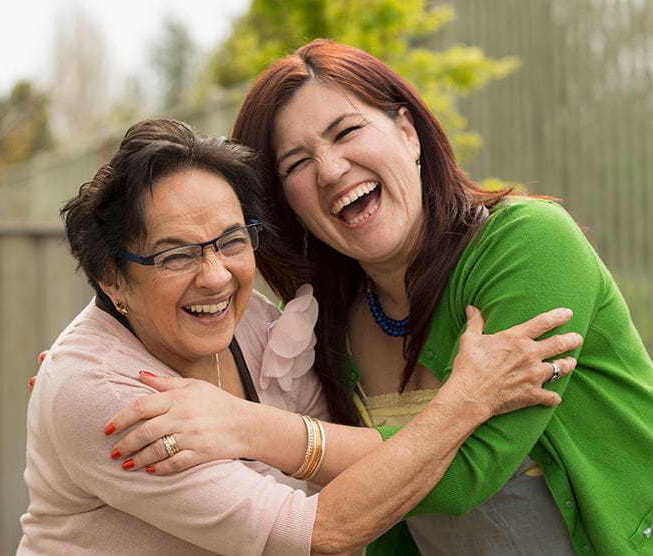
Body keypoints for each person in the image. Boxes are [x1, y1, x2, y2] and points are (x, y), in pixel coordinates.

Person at [109, 41, 653, 555]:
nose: (330, 169)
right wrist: (108, 353)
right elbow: (204, 328)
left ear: (408, 133)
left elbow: (463, 476)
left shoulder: (529, 242)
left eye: (346, 131)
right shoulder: (329, 318)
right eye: (296, 163)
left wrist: (243, 427)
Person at [19, 118, 579, 555]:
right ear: (111, 277)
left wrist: (251, 428)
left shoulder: (258, 325)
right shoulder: (108, 399)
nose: (215, 275)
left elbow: (353, 466)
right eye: (175, 254)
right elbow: (325, 532)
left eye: (232, 240)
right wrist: (468, 397)